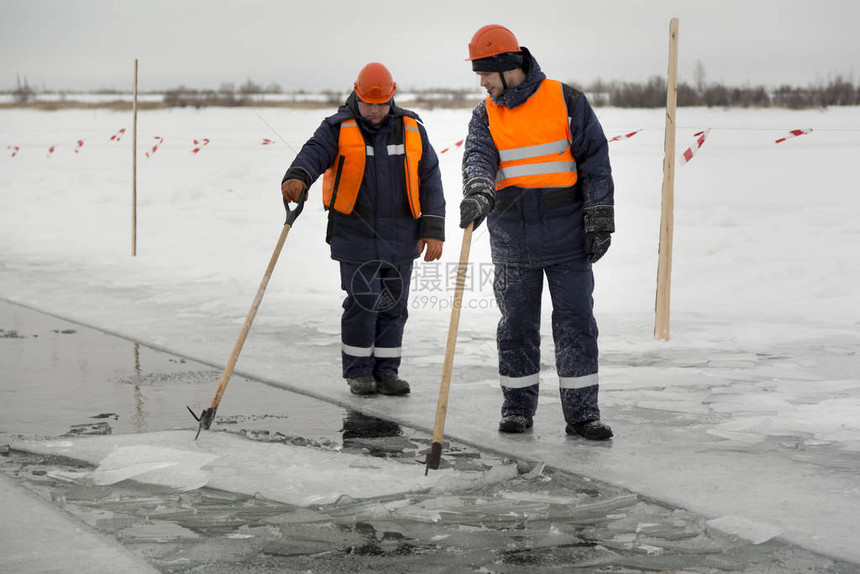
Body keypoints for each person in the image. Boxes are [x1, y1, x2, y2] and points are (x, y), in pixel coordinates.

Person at [459, 25, 614, 440]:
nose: (481, 81)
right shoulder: (484, 114)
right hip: (512, 237)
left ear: (508, 66)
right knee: (516, 326)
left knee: (576, 323)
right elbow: (478, 158)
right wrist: (478, 192)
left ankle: (583, 414)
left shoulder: (566, 100)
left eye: (485, 72)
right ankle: (517, 409)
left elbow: (594, 162)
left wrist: (599, 216)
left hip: (568, 237)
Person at [281, 62, 445, 396]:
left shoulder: (412, 127)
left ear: (392, 98)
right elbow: (315, 152)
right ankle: (358, 371)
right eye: (369, 104)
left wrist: (433, 229)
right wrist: (298, 174)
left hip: (402, 236)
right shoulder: (337, 127)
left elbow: (430, 178)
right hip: (355, 234)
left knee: (394, 305)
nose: (375, 110)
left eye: (381, 104)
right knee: (365, 300)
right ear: (357, 96)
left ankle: (387, 371)